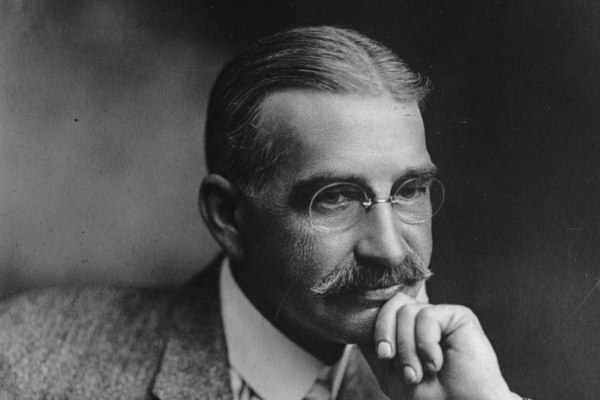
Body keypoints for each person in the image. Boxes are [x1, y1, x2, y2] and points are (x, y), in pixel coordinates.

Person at [0, 26, 527, 400]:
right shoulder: (28, 362)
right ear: (227, 216)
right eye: (336, 198)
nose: (389, 249)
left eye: (410, 190)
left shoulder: (448, 381)